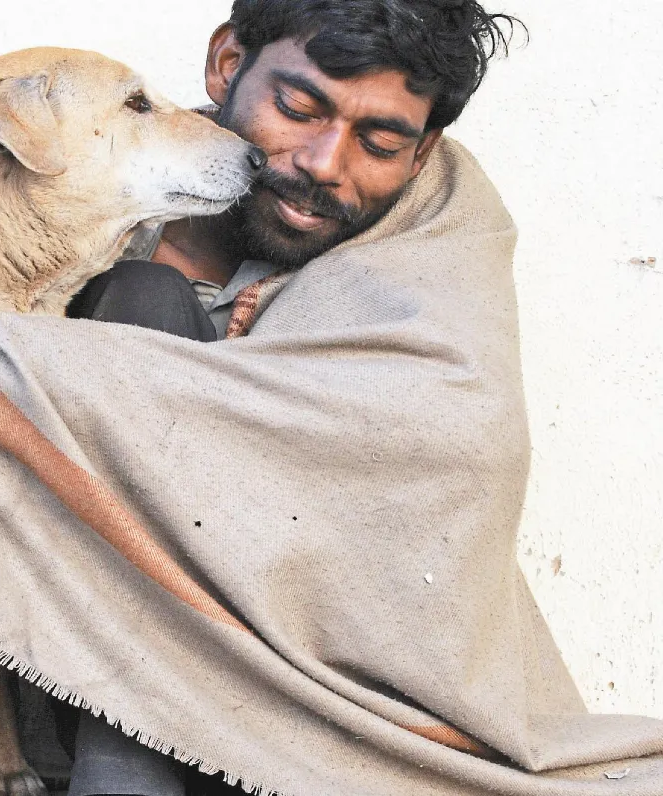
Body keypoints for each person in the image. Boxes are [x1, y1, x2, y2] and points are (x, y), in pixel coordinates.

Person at [61, 2, 525, 795]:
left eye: (379, 143)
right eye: (299, 109)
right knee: (144, 298)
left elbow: (457, 459)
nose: (324, 162)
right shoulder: (84, 194)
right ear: (226, 62)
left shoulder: (434, 260)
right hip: (69, 666)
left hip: (299, 699)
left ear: (423, 154)